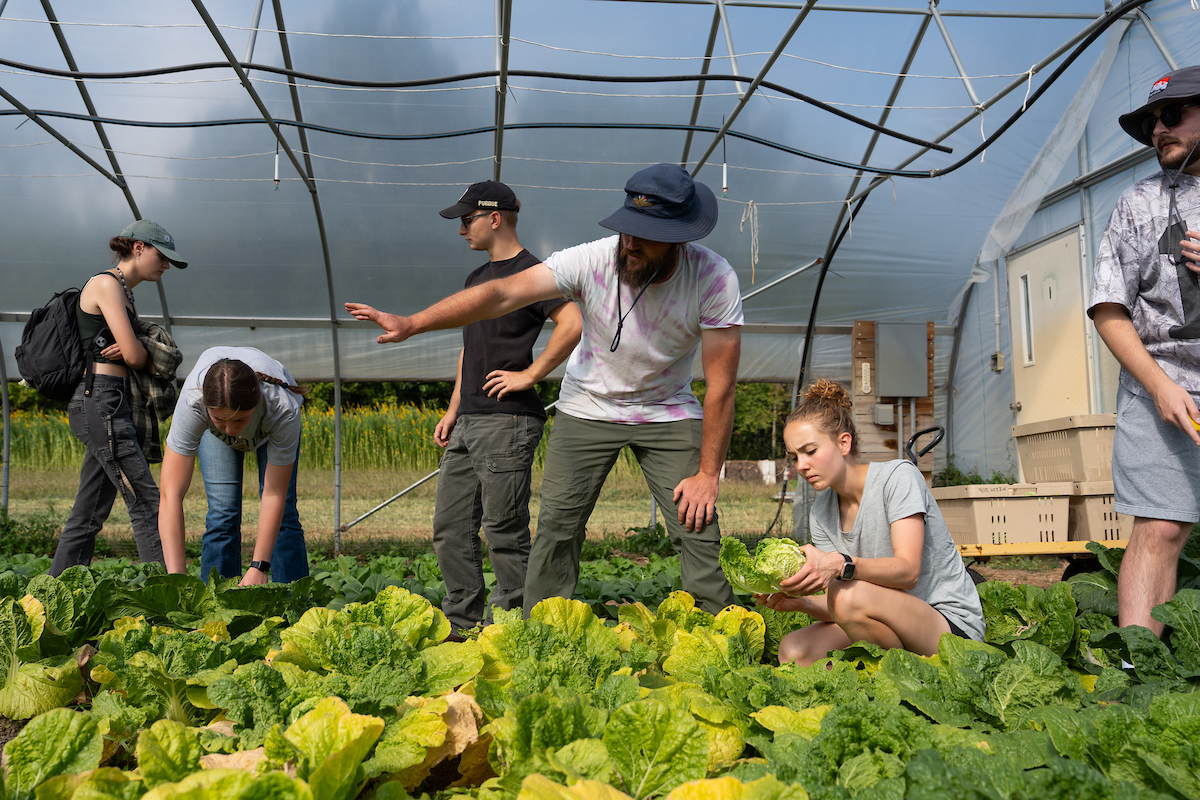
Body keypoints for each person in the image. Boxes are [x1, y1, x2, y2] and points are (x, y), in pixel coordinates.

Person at [347, 163, 743, 615]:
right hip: (587, 407)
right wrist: (413, 322)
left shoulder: (713, 279)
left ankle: (719, 634)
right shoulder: (592, 259)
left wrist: (708, 475)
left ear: (679, 236)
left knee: (696, 524)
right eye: (627, 230)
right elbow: (500, 294)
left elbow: (721, 387)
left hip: (668, 410)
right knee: (558, 526)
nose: (630, 243)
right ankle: (545, 633)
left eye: (645, 235)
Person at [430, 181, 582, 634]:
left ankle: (512, 626)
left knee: (503, 531)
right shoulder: (476, 279)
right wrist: (454, 407)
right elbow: (468, 349)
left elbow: (571, 323)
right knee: (450, 529)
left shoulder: (535, 273)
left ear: (494, 218)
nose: (461, 230)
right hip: (470, 419)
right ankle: (463, 623)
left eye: (466, 219)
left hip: (508, 421)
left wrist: (530, 375)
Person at [758, 380, 985, 667]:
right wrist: (798, 603)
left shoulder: (898, 477)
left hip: (947, 627)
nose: (801, 465)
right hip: (882, 619)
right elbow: (839, 608)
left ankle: (896, 682)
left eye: (810, 451)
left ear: (843, 443)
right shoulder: (821, 513)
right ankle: (876, 680)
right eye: (794, 456)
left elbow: (908, 572)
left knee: (846, 594)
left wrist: (842, 564)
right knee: (795, 650)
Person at [1090, 65, 1200, 636]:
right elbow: (1109, 309)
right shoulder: (1136, 204)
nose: (1159, 128)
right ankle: (1138, 670)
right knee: (1160, 529)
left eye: (1173, 115)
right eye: (1152, 121)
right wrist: (1160, 386)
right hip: (1159, 390)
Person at [51, 220, 187, 576]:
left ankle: (52, 595)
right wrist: (138, 347)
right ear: (139, 247)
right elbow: (136, 357)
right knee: (147, 504)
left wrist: (133, 347)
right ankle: (168, 599)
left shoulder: (125, 292)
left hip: (108, 402)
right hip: (102, 403)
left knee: (89, 512)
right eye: (162, 256)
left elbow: (131, 353)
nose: (166, 265)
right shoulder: (106, 285)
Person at [158, 347, 309, 585]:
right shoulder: (193, 401)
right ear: (208, 409)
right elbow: (170, 494)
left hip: (269, 430)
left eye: (240, 419)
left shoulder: (283, 408)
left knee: (286, 516)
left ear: (257, 402)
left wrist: (259, 566)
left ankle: (293, 601)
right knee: (222, 513)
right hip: (211, 424)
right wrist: (177, 581)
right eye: (220, 420)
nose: (230, 430)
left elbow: (274, 493)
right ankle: (216, 601)